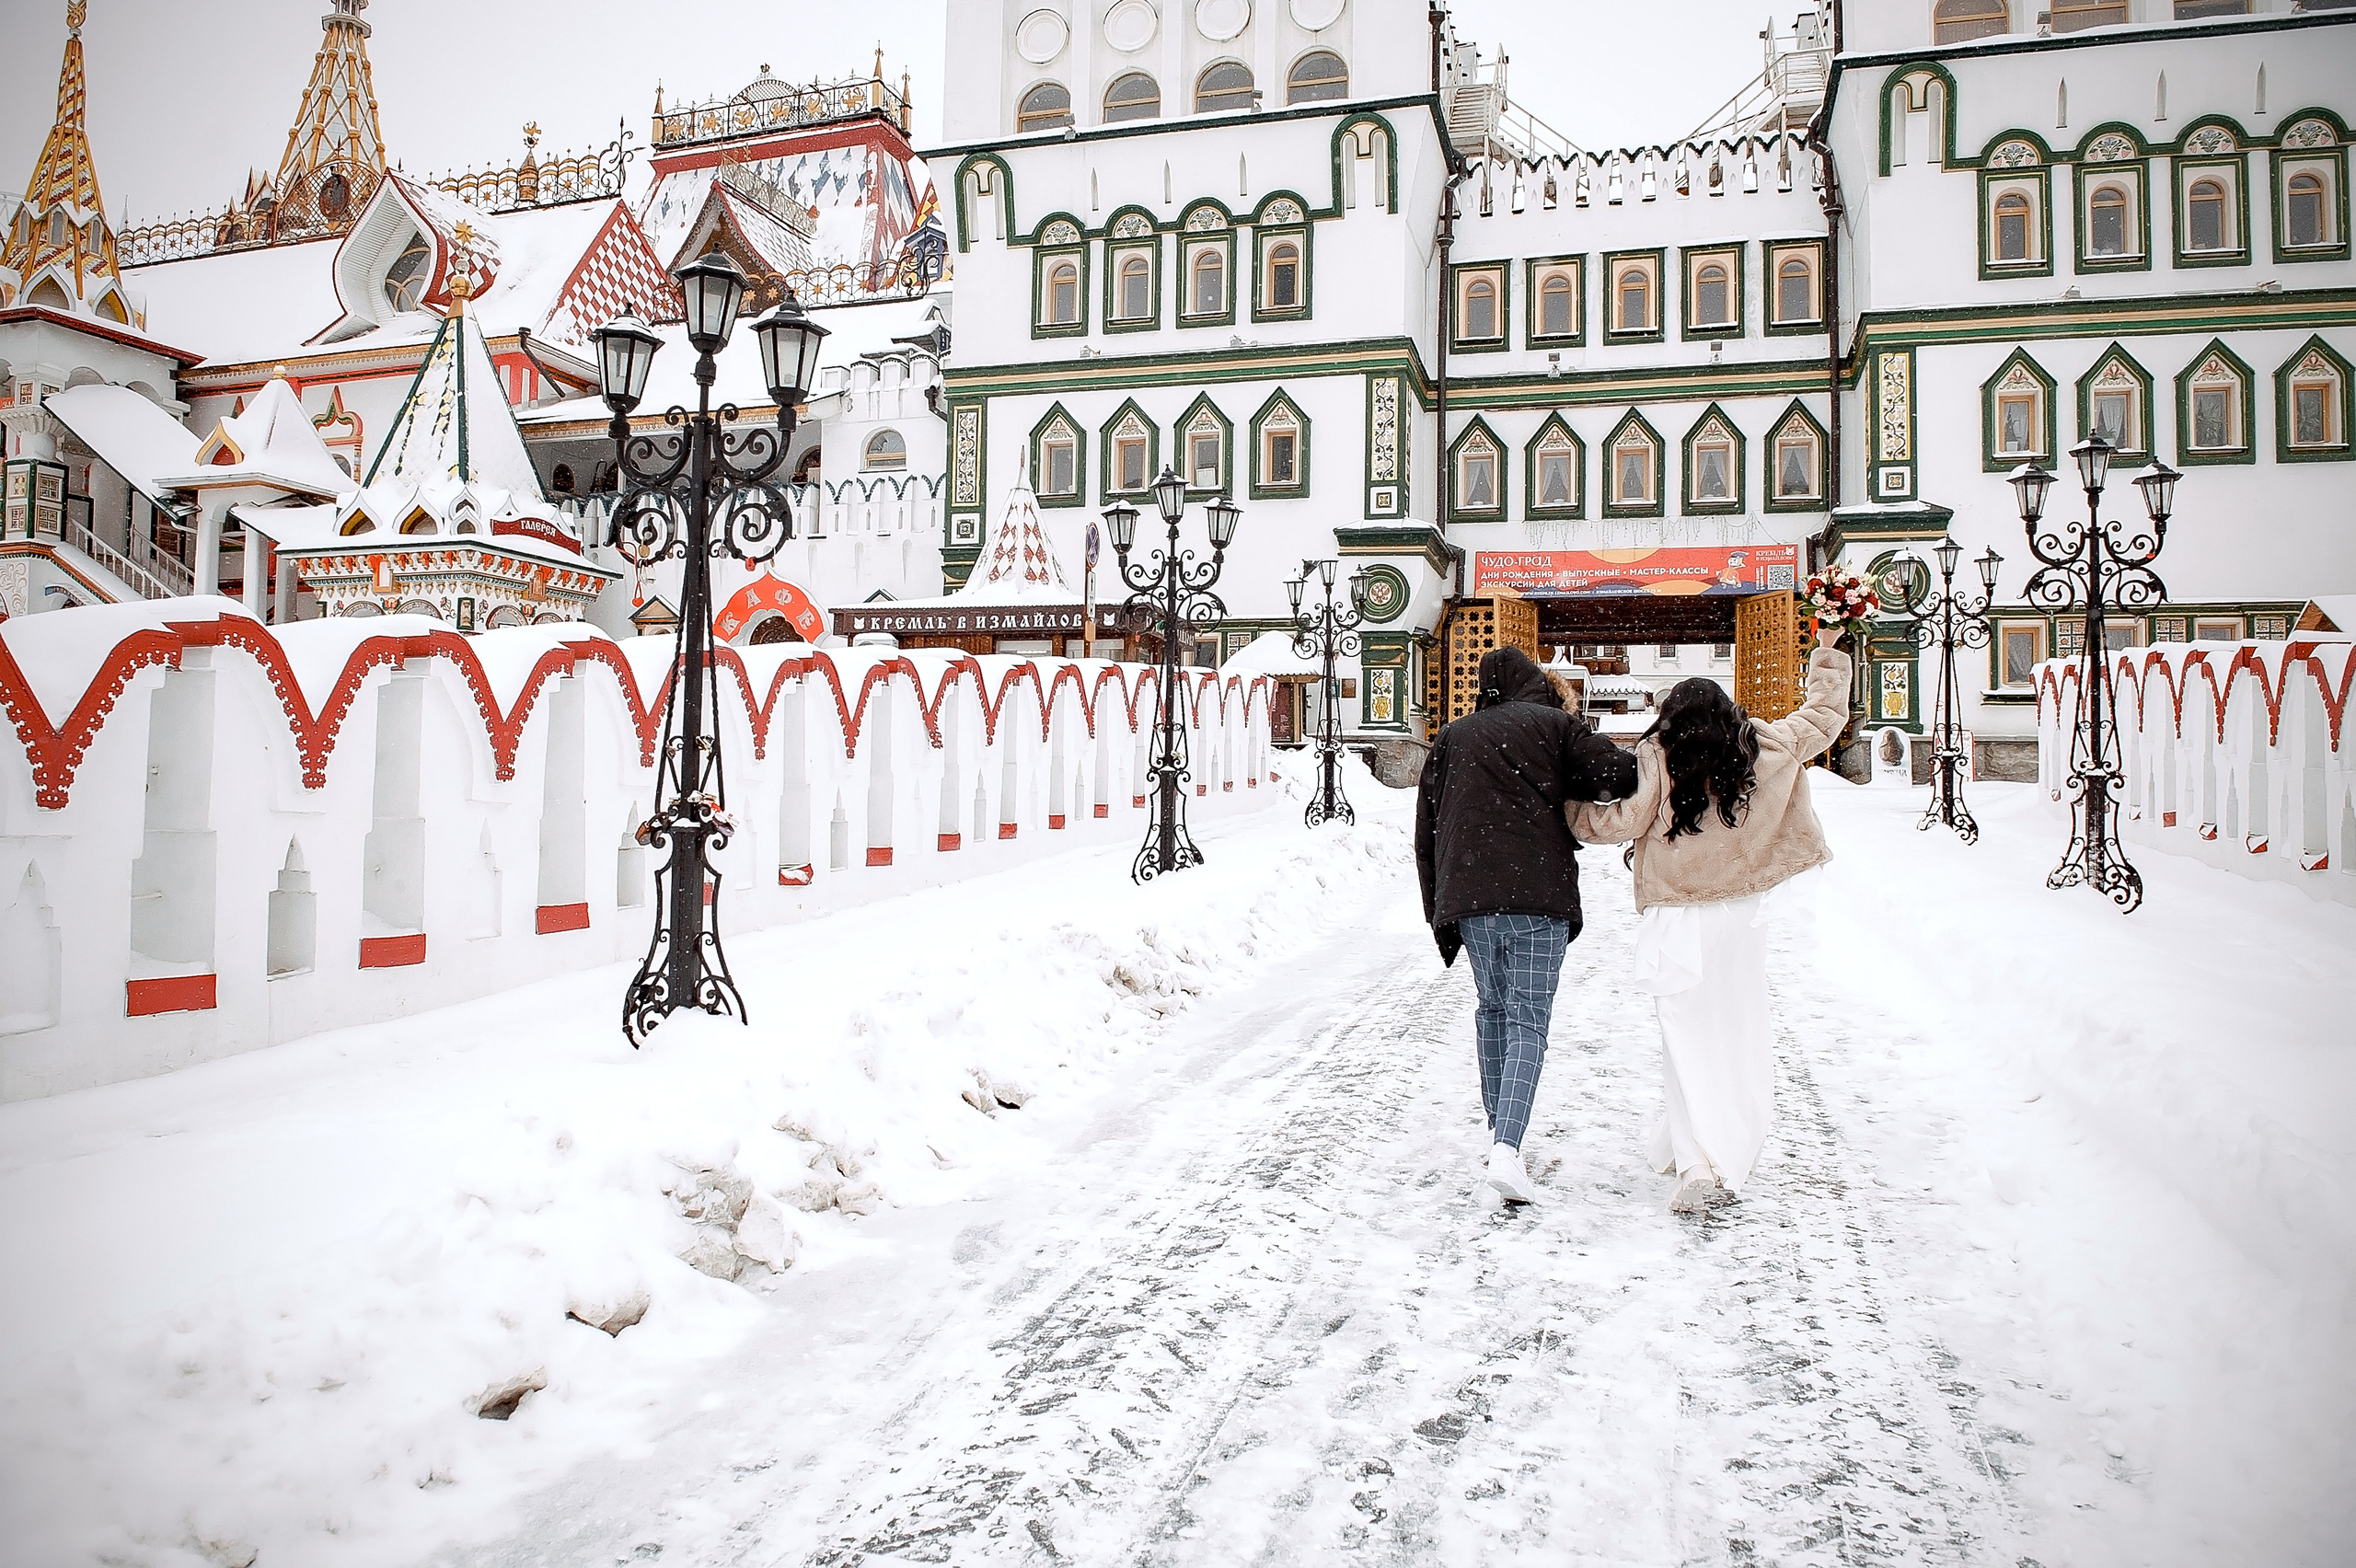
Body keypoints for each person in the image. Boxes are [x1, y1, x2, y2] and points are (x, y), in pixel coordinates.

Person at [1566, 625, 1853, 1213]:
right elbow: (1824, 717)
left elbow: (1620, 822)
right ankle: (1707, 1140)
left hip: (1679, 915)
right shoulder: (1766, 745)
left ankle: (1700, 1161)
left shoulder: (1659, 754)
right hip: (1742, 913)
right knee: (1737, 1025)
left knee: (1684, 1034)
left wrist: (1561, 812)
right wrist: (1832, 647)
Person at [1416, 645, 1638, 1205]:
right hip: (1537, 899)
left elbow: (1427, 830)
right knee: (1528, 1023)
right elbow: (1615, 773)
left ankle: (1500, 1139)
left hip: (1470, 901)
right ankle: (1509, 1149)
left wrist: (1440, 910)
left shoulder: (1453, 738)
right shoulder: (1554, 725)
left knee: (1493, 1011)